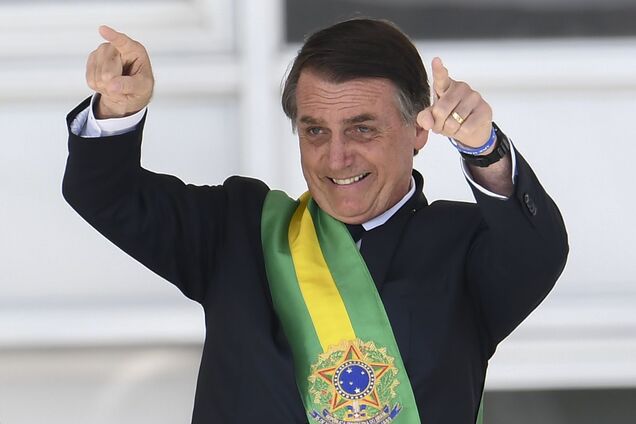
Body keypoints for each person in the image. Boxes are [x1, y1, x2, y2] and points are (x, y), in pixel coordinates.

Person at [63, 18, 568, 424]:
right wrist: (118, 109)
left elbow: (538, 250)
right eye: (315, 131)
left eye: (362, 129)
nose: (336, 157)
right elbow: (104, 193)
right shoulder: (239, 231)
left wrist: (483, 150)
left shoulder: (466, 246)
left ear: (418, 131)